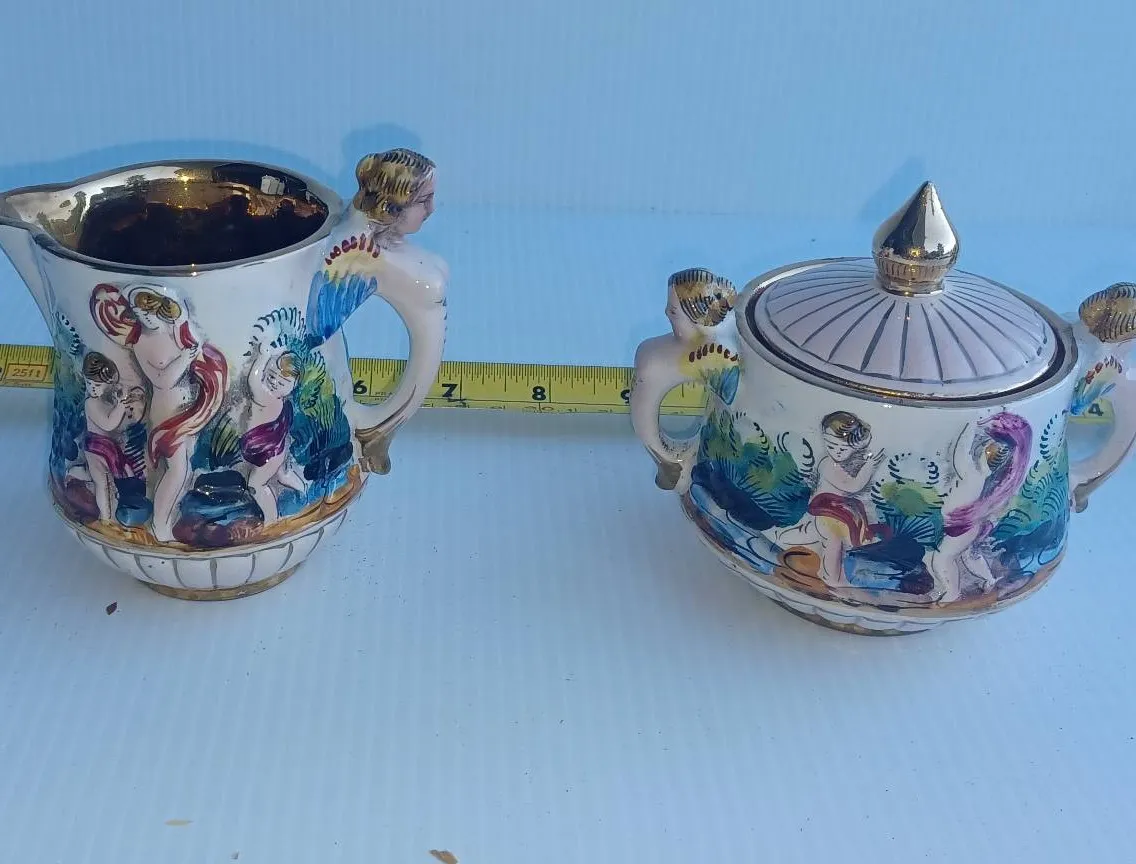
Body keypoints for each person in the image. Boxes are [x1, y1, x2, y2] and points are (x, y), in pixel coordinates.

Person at [89, 282, 227, 542]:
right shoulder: (141, 342)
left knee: (176, 469)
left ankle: (161, 519)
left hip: (187, 409)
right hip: (167, 411)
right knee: (176, 470)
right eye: (139, 313)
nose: (145, 318)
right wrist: (185, 359)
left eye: (149, 311)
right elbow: (161, 380)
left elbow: (195, 346)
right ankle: (160, 525)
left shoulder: (177, 332)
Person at [240, 343, 307, 523]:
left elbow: (253, 381)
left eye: (282, 382)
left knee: (256, 485)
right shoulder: (278, 400)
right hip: (273, 448)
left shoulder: (268, 398)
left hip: (270, 453)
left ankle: (271, 519)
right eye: (271, 376)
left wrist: (262, 357)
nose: (274, 382)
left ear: (293, 387)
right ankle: (303, 490)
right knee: (283, 475)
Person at [79, 351, 132, 522]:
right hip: (95, 447)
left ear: (108, 385)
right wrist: (121, 405)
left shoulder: (103, 401)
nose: (93, 388)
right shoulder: (90, 403)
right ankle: (105, 518)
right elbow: (108, 424)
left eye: (97, 384)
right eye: (89, 383)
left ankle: (116, 511)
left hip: (106, 447)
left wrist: (119, 400)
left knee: (113, 478)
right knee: (101, 483)